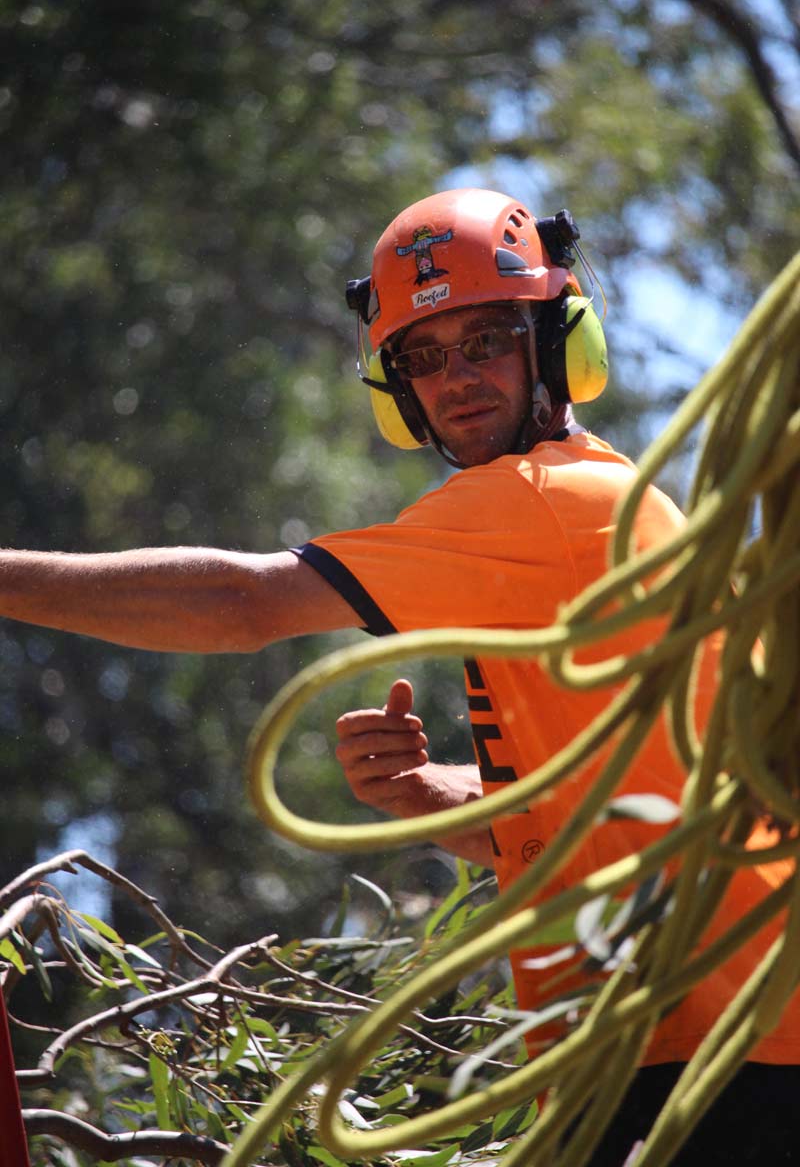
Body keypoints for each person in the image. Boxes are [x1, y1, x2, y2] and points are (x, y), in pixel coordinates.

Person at [1, 187, 798, 1162]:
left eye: (485, 341)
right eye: (422, 355)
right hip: (679, 1045)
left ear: (555, 345)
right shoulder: (570, 517)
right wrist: (430, 791)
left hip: (713, 1054)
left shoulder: (543, 499)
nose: (455, 376)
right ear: (397, 389)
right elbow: (593, 821)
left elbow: (244, 605)